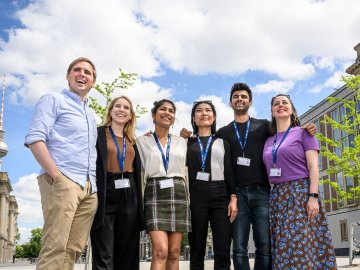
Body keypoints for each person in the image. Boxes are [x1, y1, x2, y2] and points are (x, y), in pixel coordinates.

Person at [181, 83, 316, 270]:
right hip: (238, 195)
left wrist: (304, 128)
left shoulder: (264, 126)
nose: (239, 99)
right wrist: (186, 135)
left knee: (264, 246)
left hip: (263, 192)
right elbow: (210, 148)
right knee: (239, 248)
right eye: (235, 96)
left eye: (243, 96)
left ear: (250, 101)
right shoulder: (223, 133)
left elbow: (285, 133)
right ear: (230, 103)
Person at [24, 57, 98, 270]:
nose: (82, 74)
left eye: (88, 72)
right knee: (55, 246)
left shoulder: (90, 114)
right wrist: (57, 176)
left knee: (73, 249)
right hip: (63, 180)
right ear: (68, 76)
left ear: (93, 81)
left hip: (89, 188)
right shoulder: (53, 100)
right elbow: (35, 138)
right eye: (77, 70)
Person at [262, 94, 337, 270]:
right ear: (272, 111)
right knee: (282, 247)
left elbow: (313, 167)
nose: (280, 105)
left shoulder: (304, 133)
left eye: (284, 102)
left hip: (300, 193)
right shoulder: (267, 140)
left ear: (292, 109)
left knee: (303, 245)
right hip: (278, 197)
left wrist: (313, 196)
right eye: (276, 104)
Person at [90, 96, 146, 270]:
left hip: (130, 193)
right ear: (111, 111)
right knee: (104, 250)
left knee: (127, 251)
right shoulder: (97, 133)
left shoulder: (133, 140)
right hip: (105, 191)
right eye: (118, 106)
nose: (121, 110)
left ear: (131, 115)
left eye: (126, 108)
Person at [137, 99, 191, 270]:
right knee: (161, 251)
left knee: (174, 252)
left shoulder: (182, 142)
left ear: (174, 118)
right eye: (163, 109)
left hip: (179, 193)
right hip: (154, 193)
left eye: (171, 111)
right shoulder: (141, 141)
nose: (167, 113)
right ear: (154, 115)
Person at [187, 101, 237, 270]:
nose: (204, 113)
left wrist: (233, 197)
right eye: (199, 111)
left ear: (214, 117)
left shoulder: (223, 142)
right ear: (194, 118)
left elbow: (229, 172)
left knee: (223, 248)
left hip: (220, 194)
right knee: (197, 247)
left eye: (208, 110)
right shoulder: (186, 143)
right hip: (196, 195)